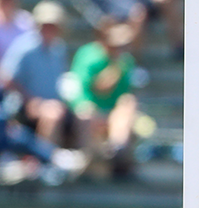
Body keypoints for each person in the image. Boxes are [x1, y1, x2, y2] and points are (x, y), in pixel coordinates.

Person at [59, 22, 140, 171]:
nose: (118, 49)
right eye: (115, 45)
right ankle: (87, 160)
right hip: (90, 110)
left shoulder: (125, 62)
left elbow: (123, 94)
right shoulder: (88, 56)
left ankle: (117, 150)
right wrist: (88, 107)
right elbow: (78, 87)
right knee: (86, 114)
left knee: (128, 105)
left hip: (112, 114)